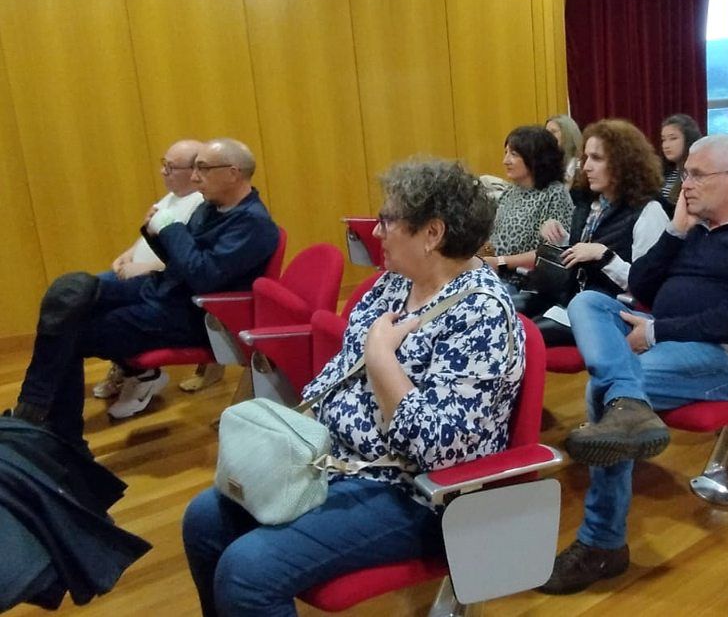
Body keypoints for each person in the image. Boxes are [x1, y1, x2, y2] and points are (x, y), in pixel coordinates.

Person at [183, 158, 523, 616]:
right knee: (203, 519)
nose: (376, 232)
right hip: (338, 461)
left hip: (415, 493)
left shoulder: (482, 313)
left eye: (388, 220)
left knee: (247, 571)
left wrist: (382, 359)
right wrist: (297, 435)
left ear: (432, 233)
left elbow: (442, 451)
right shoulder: (393, 285)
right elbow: (337, 374)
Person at [539, 134, 728, 594]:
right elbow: (641, 285)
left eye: (697, 175)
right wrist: (675, 232)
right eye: (685, 175)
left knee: (605, 390)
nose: (685, 185)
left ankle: (603, 544)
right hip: (665, 332)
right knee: (588, 303)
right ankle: (627, 400)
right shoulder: (694, 227)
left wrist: (656, 332)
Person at [7, 139, 279, 443]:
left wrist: (171, 228)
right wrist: (155, 233)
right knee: (69, 297)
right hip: (163, 290)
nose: (194, 177)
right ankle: (38, 414)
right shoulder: (210, 208)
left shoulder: (254, 225)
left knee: (73, 332)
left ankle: (52, 428)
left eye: (203, 168)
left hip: (190, 315)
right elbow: (179, 260)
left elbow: (203, 276)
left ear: (233, 173)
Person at [91, 140, 210, 400]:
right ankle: (129, 368)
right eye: (163, 164)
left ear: (194, 170)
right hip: (137, 274)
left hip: (159, 282)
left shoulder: (201, 206)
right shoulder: (172, 197)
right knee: (81, 297)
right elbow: (150, 235)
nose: (163, 172)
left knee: (89, 308)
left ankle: (139, 372)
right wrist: (128, 254)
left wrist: (144, 267)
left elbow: (188, 260)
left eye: (170, 167)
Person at [534, 119, 669, 346]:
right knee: (516, 317)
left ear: (623, 163)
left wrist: (604, 256)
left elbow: (648, 287)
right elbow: (586, 249)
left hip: (614, 311)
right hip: (573, 300)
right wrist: (561, 237)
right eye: (586, 157)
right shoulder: (590, 204)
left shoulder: (649, 212)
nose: (586, 166)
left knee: (529, 336)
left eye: (597, 158)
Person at [481, 126, 573, 278]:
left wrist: (500, 262)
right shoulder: (511, 191)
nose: (505, 161)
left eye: (514, 154)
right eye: (506, 153)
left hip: (525, 280)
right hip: (496, 273)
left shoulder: (554, 194)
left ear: (535, 158)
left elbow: (552, 252)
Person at [658, 114, 702, 208]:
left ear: (688, 139)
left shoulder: (696, 174)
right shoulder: (665, 172)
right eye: (663, 140)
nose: (666, 145)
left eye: (673, 138)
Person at [546, 114, 584, 184]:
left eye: (553, 132)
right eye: (546, 133)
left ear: (568, 133)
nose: (548, 136)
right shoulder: (547, 163)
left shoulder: (582, 163)